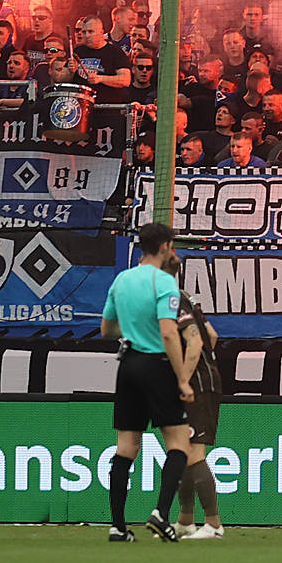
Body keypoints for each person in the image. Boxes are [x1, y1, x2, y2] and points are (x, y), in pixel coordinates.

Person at [98, 222, 195, 543]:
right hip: (157, 364)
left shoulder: (121, 280)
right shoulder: (164, 282)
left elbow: (107, 329)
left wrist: (133, 330)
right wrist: (182, 379)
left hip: (127, 364)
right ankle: (160, 514)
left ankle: (117, 527)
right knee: (179, 443)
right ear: (166, 246)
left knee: (126, 447)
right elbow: (169, 332)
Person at [169, 266, 226, 539]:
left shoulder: (172, 300)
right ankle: (185, 521)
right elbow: (212, 335)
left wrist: (185, 378)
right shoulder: (185, 297)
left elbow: (197, 343)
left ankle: (214, 524)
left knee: (193, 454)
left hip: (197, 387)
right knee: (182, 452)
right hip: (203, 382)